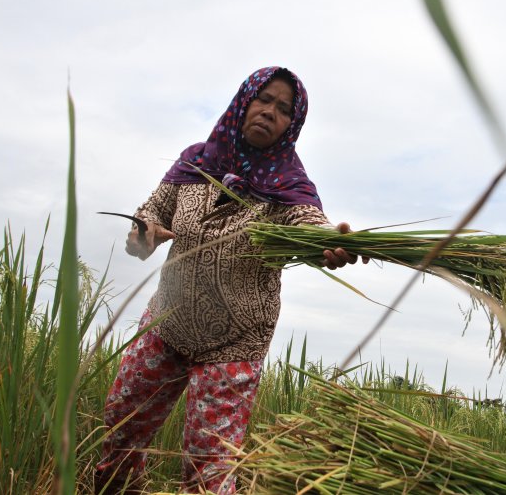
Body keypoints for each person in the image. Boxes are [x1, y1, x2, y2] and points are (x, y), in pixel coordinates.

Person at [94, 66, 363, 495]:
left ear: (292, 125)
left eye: (283, 109)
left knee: (209, 469)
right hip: (167, 324)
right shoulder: (195, 162)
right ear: (244, 101)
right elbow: (151, 214)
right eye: (264, 99)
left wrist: (332, 243)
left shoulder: (289, 187)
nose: (270, 112)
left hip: (234, 344)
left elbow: (311, 226)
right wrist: (142, 233)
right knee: (121, 431)